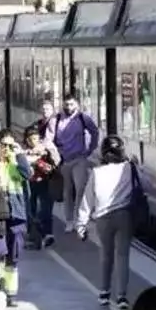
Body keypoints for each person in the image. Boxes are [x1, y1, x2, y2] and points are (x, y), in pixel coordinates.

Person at [75, 136, 138, 309]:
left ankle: (104, 292)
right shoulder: (130, 168)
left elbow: (88, 199)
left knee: (106, 254)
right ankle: (122, 297)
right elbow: (147, 186)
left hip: (103, 218)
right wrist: (137, 166)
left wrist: (81, 224)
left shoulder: (97, 172)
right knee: (123, 256)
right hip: (124, 216)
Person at [47, 93, 100, 233]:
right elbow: (48, 139)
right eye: (67, 104)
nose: (69, 107)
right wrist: (55, 153)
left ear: (77, 104)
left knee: (80, 189)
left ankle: (77, 219)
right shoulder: (56, 119)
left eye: (72, 104)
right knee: (67, 192)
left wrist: (90, 149)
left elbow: (94, 131)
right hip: (63, 160)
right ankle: (69, 220)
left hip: (79, 159)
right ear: (63, 104)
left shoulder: (83, 118)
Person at [0, 129, 32, 307]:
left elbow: (27, 174)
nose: (6, 149)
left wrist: (18, 156)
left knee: (14, 253)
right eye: (4, 145)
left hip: (17, 213)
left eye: (10, 145)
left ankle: (11, 292)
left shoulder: (18, 162)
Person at [21, 124, 60, 248]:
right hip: (29, 183)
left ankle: (48, 234)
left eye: (36, 138)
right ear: (27, 140)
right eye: (31, 139)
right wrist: (31, 157)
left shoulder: (46, 149)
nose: (34, 141)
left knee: (46, 209)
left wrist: (48, 151)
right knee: (30, 210)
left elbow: (57, 161)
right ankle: (33, 235)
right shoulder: (23, 151)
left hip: (45, 182)